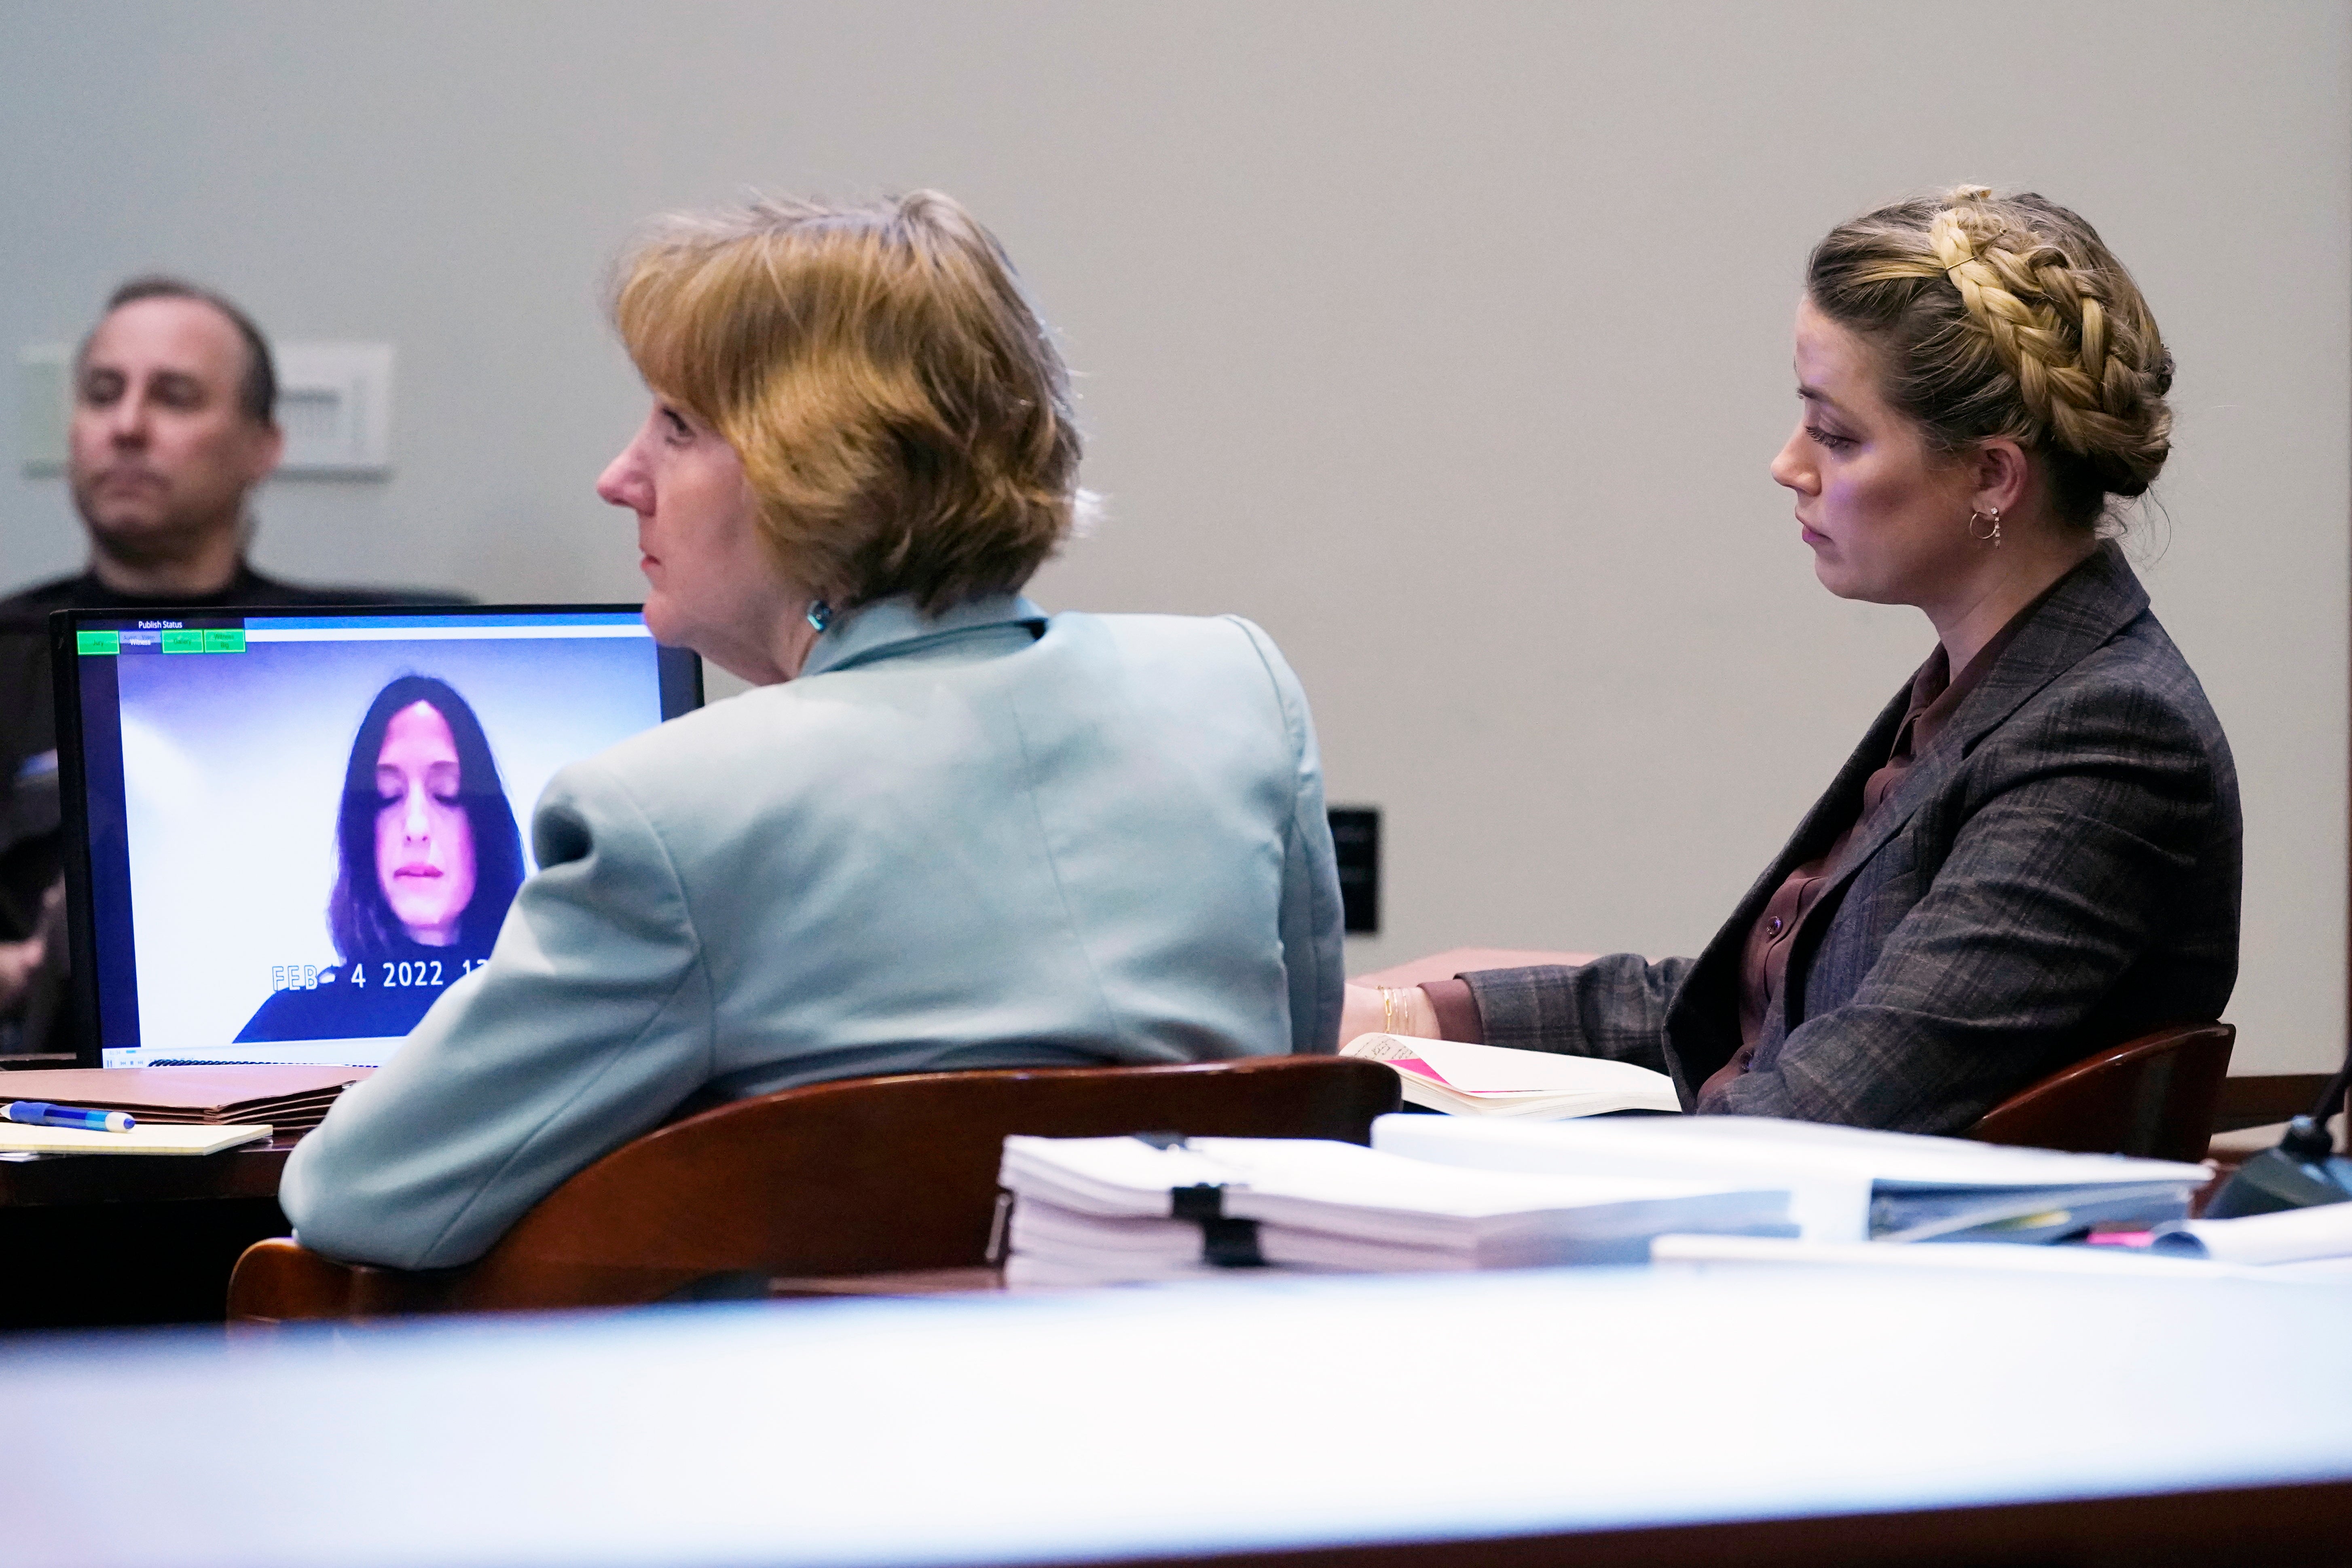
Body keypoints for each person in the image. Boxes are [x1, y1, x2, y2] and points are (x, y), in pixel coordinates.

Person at [282, 191, 1344, 1268]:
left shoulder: (671, 816)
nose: (620, 477)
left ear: (817, 469)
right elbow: (1302, 1101)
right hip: (1206, 1407)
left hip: (818, 1426)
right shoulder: (1237, 692)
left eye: (678, 425)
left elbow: (362, 1192)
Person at [1347, 185, 2239, 1136]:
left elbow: (1817, 1116)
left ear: (1989, 474)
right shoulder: (1992, 690)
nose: (1788, 464)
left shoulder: (2105, 735)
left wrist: (1467, 1151)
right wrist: (1406, 1016)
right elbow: (1731, 1013)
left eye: (1835, 434)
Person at [0, 277, 464, 1044]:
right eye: (103, 393)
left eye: (175, 397)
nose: (128, 425)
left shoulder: (335, 653)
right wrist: (37, 961)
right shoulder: (9, 650)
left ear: (263, 446)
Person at [237, 676, 526, 1043]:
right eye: (387, 796)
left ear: (485, 825)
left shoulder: (551, 1015)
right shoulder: (291, 1026)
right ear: (362, 829)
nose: (417, 826)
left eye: (446, 793)